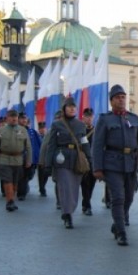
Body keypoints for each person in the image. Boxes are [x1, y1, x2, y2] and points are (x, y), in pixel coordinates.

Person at [93, 85, 138, 245]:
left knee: (129, 196)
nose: (121, 99)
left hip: (131, 163)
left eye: (123, 97)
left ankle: (117, 222)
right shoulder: (105, 119)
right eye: (118, 97)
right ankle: (121, 232)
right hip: (112, 163)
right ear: (111, 100)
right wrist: (97, 168)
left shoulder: (133, 118)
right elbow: (97, 146)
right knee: (118, 197)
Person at [45, 97, 91, 229]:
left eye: (73, 106)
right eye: (69, 106)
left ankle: (69, 210)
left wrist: (90, 159)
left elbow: (84, 143)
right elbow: (51, 145)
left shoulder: (80, 125)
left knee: (74, 187)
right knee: (65, 186)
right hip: (61, 159)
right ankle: (67, 214)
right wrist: (48, 164)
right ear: (64, 109)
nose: (71, 109)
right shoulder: (57, 125)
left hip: (77, 160)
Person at [0, 109, 32, 212]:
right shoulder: (1, 130)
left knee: (14, 182)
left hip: (18, 160)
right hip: (4, 159)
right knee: (7, 180)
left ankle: (12, 199)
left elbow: (28, 147)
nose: (14, 119)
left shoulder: (23, 130)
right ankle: (9, 201)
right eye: (11, 117)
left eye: (15, 117)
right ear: (7, 118)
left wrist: (28, 160)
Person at [17, 113, 41, 201]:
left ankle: (23, 188)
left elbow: (38, 144)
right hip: (18, 157)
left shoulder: (32, 132)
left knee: (28, 175)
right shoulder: (15, 130)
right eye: (22, 118)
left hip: (29, 158)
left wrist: (38, 158)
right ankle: (21, 193)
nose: (24, 120)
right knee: (21, 176)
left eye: (25, 118)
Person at [80, 108, 97, 216]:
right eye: (87, 116)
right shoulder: (80, 130)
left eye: (91, 116)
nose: (89, 119)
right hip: (83, 160)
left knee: (92, 183)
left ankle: (86, 202)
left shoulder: (96, 130)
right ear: (83, 117)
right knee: (85, 183)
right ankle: (87, 205)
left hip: (94, 161)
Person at [37, 121, 50, 197]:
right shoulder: (37, 136)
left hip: (46, 158)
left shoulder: (48, 136)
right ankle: (42, 188)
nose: (42, 130)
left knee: (46, 175)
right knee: (41, 175)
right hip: (39, 158)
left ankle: (43, 186)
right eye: (40, 128)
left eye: (43, 128)